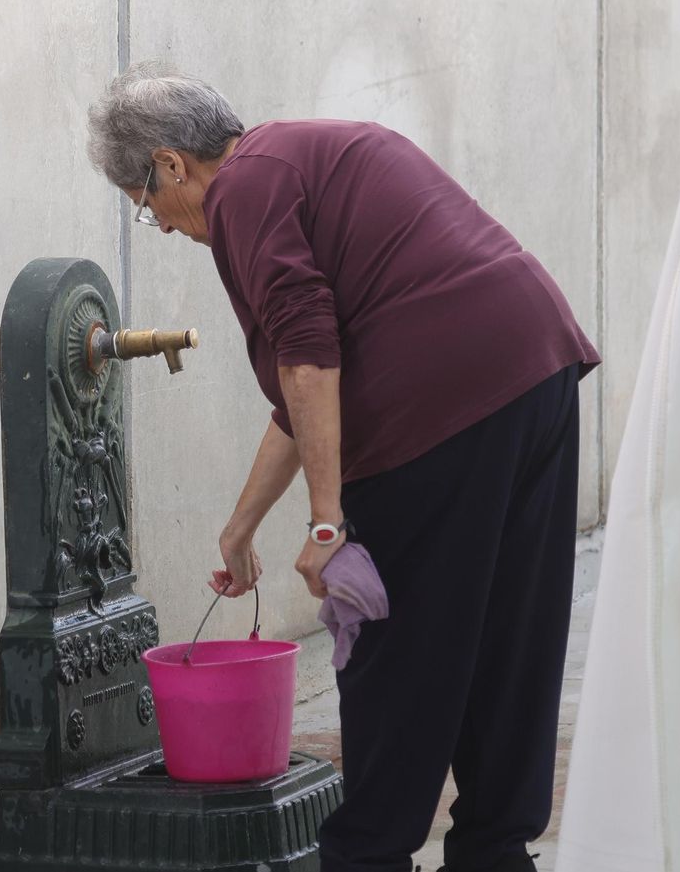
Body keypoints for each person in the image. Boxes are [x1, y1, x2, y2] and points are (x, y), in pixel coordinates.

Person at [86, 61, 600, 872]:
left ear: (170, 164)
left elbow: (308, 356)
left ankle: (368, 855)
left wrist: (327, 524)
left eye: (149, 210)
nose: (171, 228)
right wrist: (241, 524)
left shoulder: (240, 191)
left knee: (394, 648)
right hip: (535, 369)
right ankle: (497, 852)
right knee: (509, 633)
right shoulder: (302, 155)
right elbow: (304, 392)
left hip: (440, 402)